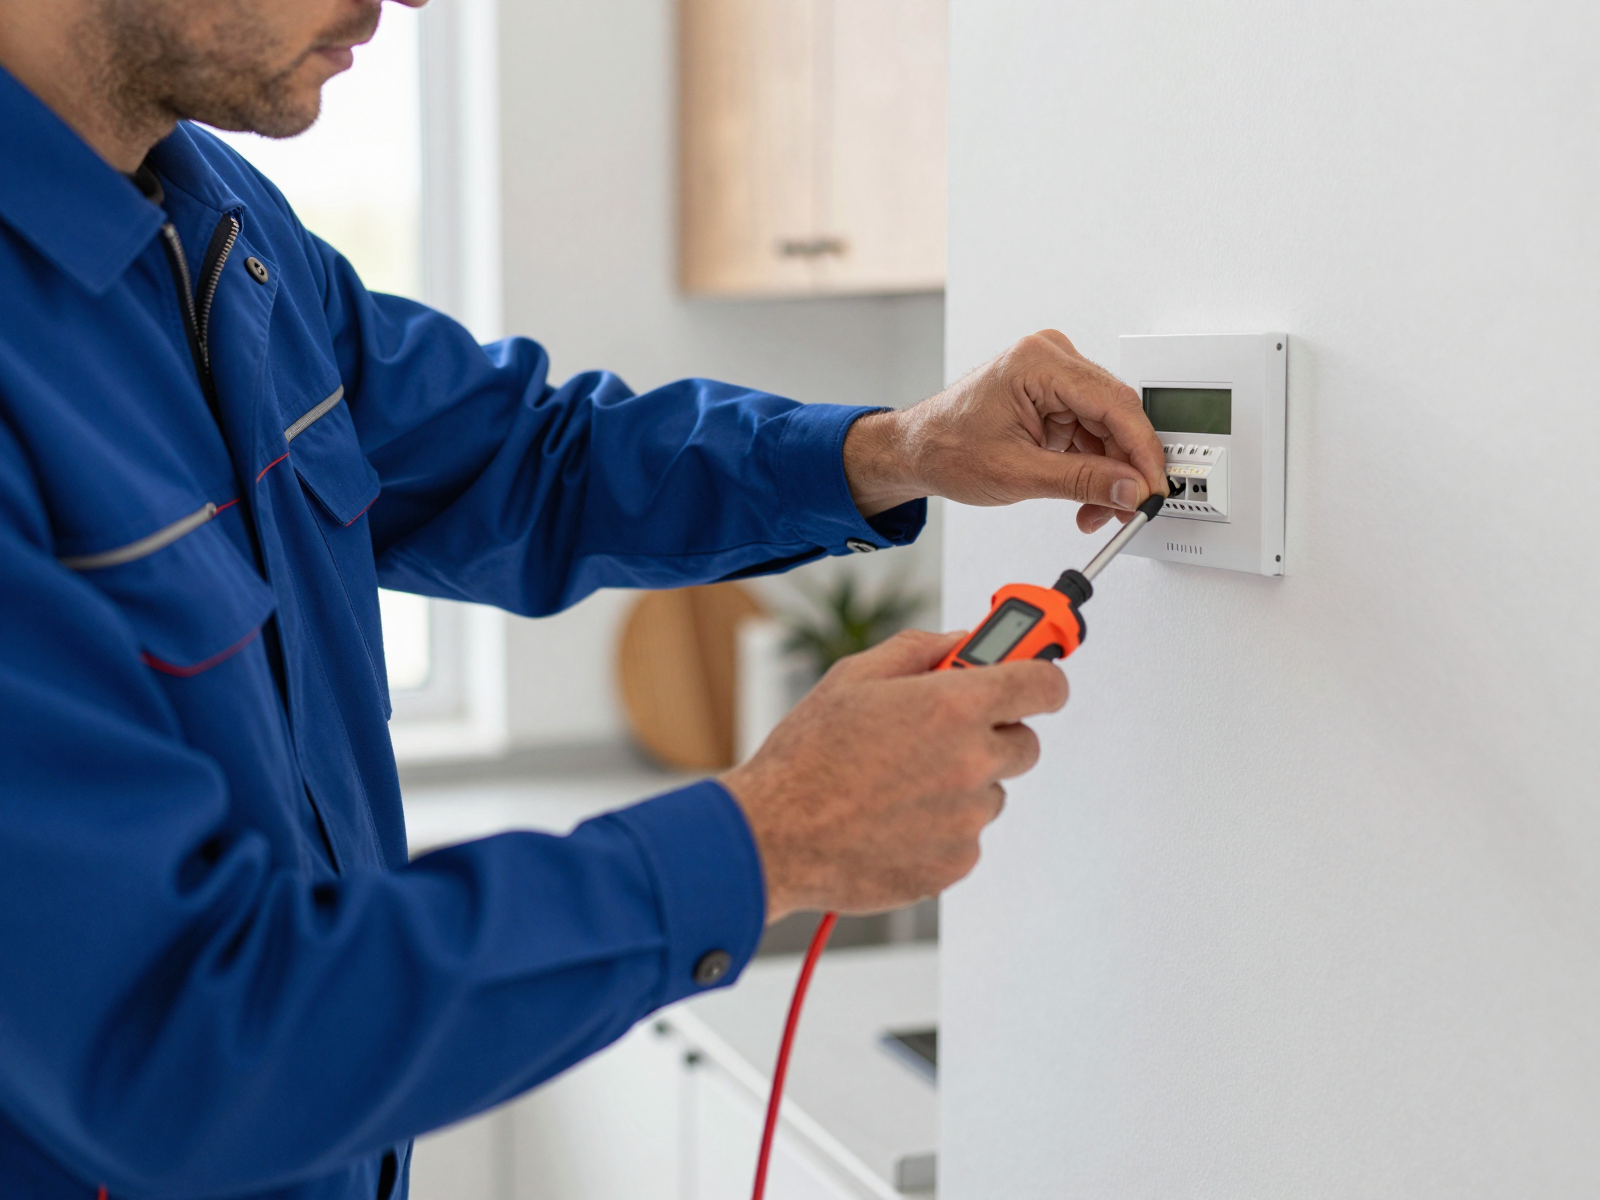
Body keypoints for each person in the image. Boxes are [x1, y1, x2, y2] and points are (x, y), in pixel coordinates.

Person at [0, 1, 1168, 1196]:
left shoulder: (220, 225)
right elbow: (176, 1036)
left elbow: (527, 457)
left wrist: (894, 447)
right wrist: (773, 835)